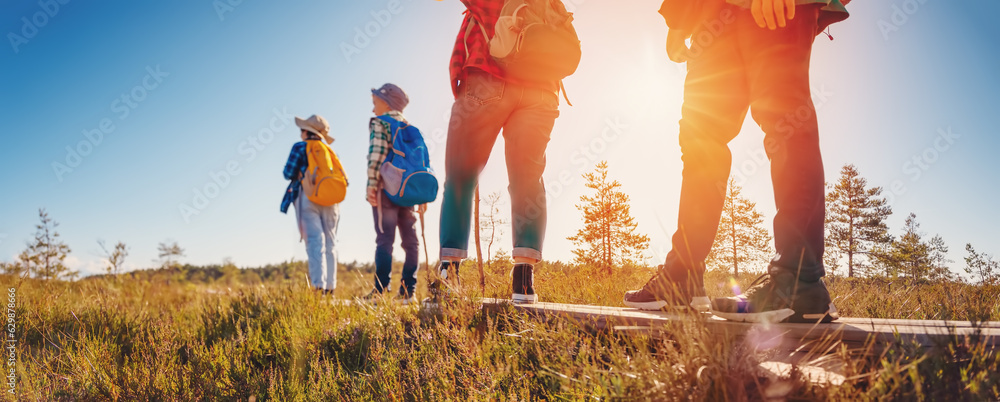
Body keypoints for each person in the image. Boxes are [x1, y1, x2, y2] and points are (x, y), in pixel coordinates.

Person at [624, 0, 849, 323]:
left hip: (778, 10)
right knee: (700, 135)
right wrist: (678, 19)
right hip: (711, 18)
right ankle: (681, 276)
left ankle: (799, 280)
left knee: (785, 120)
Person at [434, 0, 568, 303]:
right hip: (543, 91)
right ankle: (524, 279)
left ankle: (449, 274)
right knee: (528, 178)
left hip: (488, 79)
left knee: (461, 175)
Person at [363, 83, 425, 304]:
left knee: (384, 239)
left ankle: (380, 291)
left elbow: (376, 155)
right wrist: (421, 196)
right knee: (411, 242)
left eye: (375, 103)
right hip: (408, 191)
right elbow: (420, 162)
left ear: (386, 102)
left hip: (386, 191)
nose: (373, 109)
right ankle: (409, 291)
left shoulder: (381, 123)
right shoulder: (409, 127)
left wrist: (371, 184)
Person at [281, 114, 343, 295]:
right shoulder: (330, 151)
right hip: (332, 200)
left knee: (315, 241)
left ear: (306, 132)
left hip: (307, 196)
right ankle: (331, 287)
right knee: (331, 242)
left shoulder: (300, 147)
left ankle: (318, 287)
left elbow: (288, 172)